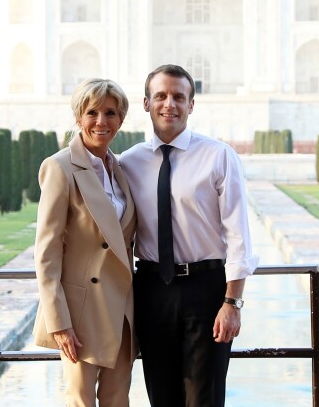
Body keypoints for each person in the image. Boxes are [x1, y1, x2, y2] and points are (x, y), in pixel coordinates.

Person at [120, 64, 259, 407]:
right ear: (146, 103)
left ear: (191, 105)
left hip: (207, 290)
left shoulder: (218, 156)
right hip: (152, 290)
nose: (170, 104)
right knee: (161, 396)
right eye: (161, 96)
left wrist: (232, 303)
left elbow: (238, 235)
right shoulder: (127, 162)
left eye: (179, 97)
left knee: (204, 398)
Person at [32, 78, 138, 407]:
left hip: (122, 308)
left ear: (121, 119)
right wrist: (59, 323)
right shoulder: (60, 167)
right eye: (92, 112)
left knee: (118, 399)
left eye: (111, 113)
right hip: (80, 312)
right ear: (78, 117)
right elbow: (46, 255)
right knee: (79, 400)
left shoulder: (120, 168)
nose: (101, 122)